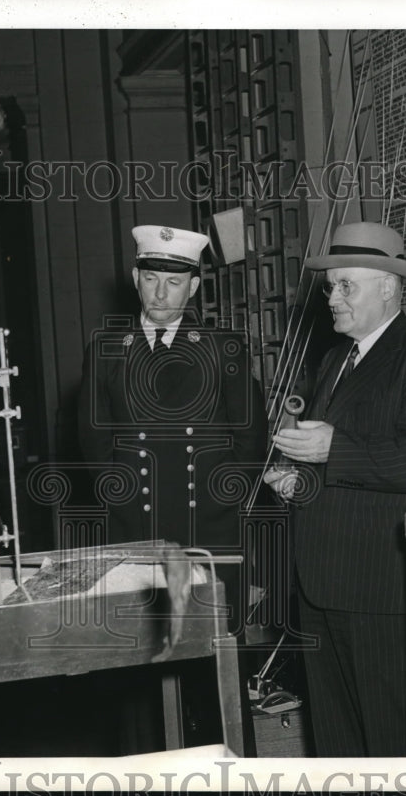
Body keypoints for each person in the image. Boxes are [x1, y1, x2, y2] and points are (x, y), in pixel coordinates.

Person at [264, 220, 406, 757]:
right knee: (337, 743)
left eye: (346, 285)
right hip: (321, 584)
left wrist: (332, 450)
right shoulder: (333, 362)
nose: (332, 298)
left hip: (380, 588)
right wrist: (297, 480)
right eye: (331, 286)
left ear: (389, 287)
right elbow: (336, 461)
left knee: (390, 738)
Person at [77, 224, 267, 753]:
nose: (162, 293)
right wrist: (121, 509)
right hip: (135, 533)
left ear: (194, 287)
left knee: (214, 669)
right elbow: (93, 443)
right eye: (152, 279)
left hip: (208, 529)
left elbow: (250, 439)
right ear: (136, 279)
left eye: (174, 283)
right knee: (139, 672)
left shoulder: (224, 348)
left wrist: (226, 512)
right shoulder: (107, 349)